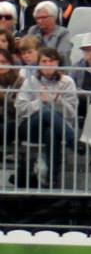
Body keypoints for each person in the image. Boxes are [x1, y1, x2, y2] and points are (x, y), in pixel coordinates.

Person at [15, 46, 78, 186]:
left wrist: (56, 101)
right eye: (44, 61)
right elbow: (20, 108)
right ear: (38, 64)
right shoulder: (29, 81)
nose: (48, 65)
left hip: (57, 128)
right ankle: (72, 140)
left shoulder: (67, 82)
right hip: (30, 127)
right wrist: (40, 102)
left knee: (51, 131)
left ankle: (51, 178)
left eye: (52, 61)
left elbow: (71, 113)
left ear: (58, 64)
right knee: (45, 111)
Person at [25, 1, 73, 66]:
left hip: (58, 69)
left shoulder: (64, 33)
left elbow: (61, 55)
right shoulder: (33, 30)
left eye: (43, 17)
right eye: (37, 18)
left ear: (54, 17)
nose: (39, 21)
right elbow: (27, 50)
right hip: (35, 69)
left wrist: (37, 56)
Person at [0, 46, 24, 141]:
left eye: (3, 62)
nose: (0, 65)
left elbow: (19, 107)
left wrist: (3, 98)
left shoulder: (19, 81)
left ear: (10, 63)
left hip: (13, 123)